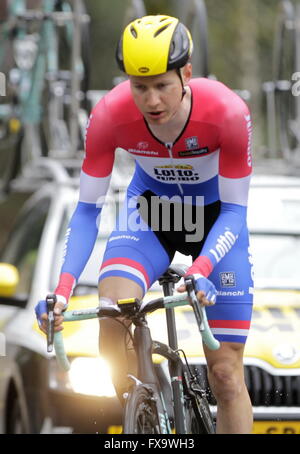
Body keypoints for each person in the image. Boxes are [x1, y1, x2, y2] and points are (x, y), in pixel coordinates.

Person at [35, 15, 254, 434]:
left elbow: (234, 211)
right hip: (150, 214)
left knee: (225, 375)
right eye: (140, 87)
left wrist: (203, 268)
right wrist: (61, 292)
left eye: (162, 85)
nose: (152, 101)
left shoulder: (226, 111)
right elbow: (86, 210)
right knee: (111, 319)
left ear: (186, 74)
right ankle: (146, 406)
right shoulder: (108, 116)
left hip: (215, 222)